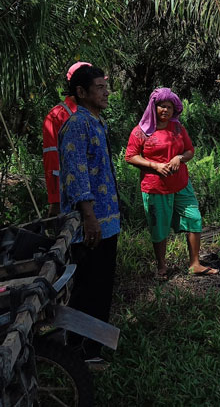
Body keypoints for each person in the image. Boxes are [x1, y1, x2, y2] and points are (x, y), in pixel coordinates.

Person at [58, 65, 119, 359]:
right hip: (91, 225)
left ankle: (94, 345)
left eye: (105, 86)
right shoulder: (77, 125)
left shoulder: (97, 122)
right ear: (81, 93)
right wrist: (89, 217)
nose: (106, 92)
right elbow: (77, 174)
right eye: (99, 87)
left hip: (107, 222)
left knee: (102, 284)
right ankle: (80, 351)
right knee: (87, 287)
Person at [125, 88, 216, 277]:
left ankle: (195, 264)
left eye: (169, 107)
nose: (165, 110)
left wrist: (179, 158)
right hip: (155, 187)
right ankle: (161, 267)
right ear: (153, 107)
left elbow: (190, 150)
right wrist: (155, 166)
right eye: (161, 106)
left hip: (181, 184)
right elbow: (131, 156)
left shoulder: (177, 128)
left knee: (194, 218)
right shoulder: (141, 131)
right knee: (159, 227)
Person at [43, 61, 92, 217]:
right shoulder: (57, 116)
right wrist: (55, 200)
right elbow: (52, 159)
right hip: (70, 196)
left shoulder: (93, 115)